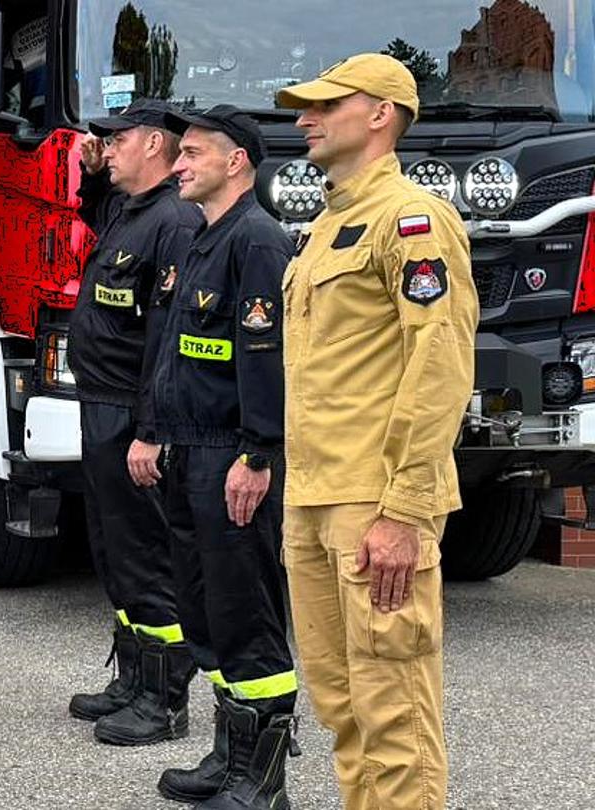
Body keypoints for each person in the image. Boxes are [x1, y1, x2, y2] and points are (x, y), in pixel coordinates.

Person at [274, 53, 476, 810]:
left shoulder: (412, 220)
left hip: (375, 503)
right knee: (343, 712)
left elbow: (441, 362)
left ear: (381, 114)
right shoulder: (326, 227)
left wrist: (406, 510)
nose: (305, 118)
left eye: (327, 104)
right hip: (315, 498)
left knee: (394, 713)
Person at [147, 106, 298, 809]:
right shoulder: (203, 240)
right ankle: (228, 757)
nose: (178, 165)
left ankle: (263, 781)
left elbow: (265, 360)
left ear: (236, 161)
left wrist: (257, 455)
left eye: (193, 154)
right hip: (190, 452)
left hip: (232, 458)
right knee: (208, 615)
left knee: (248, 614)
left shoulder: (257, 241)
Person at [66, 98, 204, 746]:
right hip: (101, 403)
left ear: (154, 144)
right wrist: (95, 176)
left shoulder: (174, 221)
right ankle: (132, 676)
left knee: (147, 557)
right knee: (112, 549)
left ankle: (164, 697)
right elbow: (95, 216)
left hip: (131, 412)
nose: (106, 147)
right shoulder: (131, 209)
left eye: (116, 140)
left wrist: (150, 429)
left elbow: (167, 342)